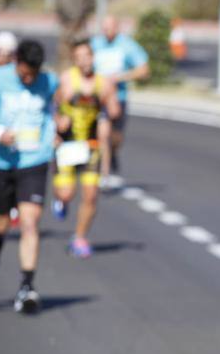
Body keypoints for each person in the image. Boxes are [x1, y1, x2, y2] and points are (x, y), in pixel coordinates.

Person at [0, 39, 58, 314]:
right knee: (1, 221)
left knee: (30, 222)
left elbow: (51, 110)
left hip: (34, 159)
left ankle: (27, 287)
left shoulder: (49, 82)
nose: (29, 80)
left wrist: (55, 132)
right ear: (16, 62)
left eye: (33, 74)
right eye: (24, 74)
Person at [51, 39, 120, 258]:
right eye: (79, 57)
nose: (84, 61)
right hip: (67, 145)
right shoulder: (66, 80)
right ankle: (61, 201)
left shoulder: (103, 83)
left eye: (87, 56)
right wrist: (57, 123)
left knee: (90, 195)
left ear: (93, 57)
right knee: (66, 193)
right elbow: (51, 106)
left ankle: (79, 237)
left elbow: (114, 110)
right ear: (74, 60)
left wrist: (108, 111)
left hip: (91, 146)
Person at [90, 15, 149, 184]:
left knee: (116, 137)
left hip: (118, 97)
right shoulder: (95, 44)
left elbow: (143, 70)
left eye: (110, 28)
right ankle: (103, 172)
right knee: (102, 134)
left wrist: (120, 77)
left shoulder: (127, 46)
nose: (106, 31)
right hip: (99, 97)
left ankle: (113, 153)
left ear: (117, 28)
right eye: (104, 28)